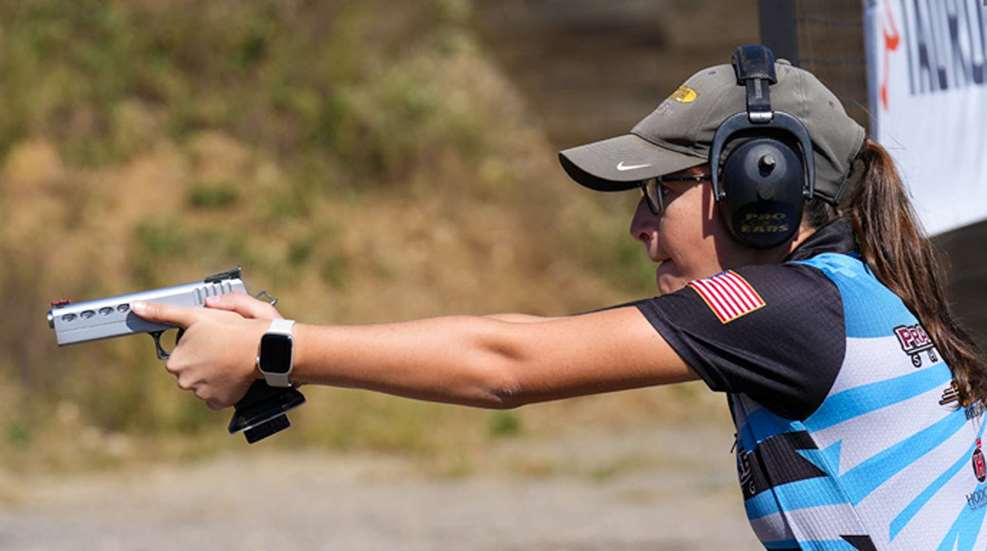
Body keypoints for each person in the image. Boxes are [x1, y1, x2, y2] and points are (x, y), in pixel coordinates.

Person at [131, 47, 986, 549]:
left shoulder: (791, 309)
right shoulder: (833, 300)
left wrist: (280, 348)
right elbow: (517, 336)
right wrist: (282, 334)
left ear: (758, 186)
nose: (639, 227)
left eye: (658, 194)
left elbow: (508, 362)